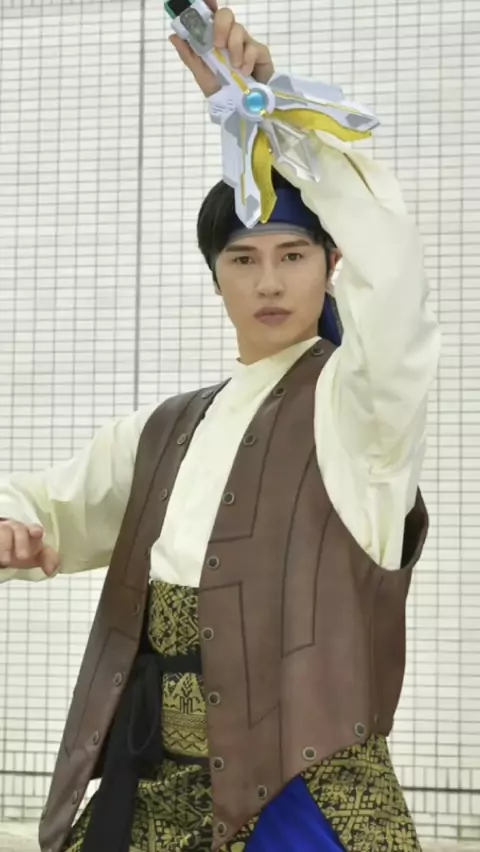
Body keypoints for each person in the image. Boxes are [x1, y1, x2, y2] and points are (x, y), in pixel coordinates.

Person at [0, 5, 440, 852]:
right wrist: (15, 524)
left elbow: (395, 281)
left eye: (292, 255)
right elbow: (51, 505)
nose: (269, 282)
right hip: (156, 795)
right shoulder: (166, 430)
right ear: (217, 279)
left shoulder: (362, 410)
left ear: (332, 266)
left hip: (308, 798)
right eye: (243, 259)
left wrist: (278, 115)